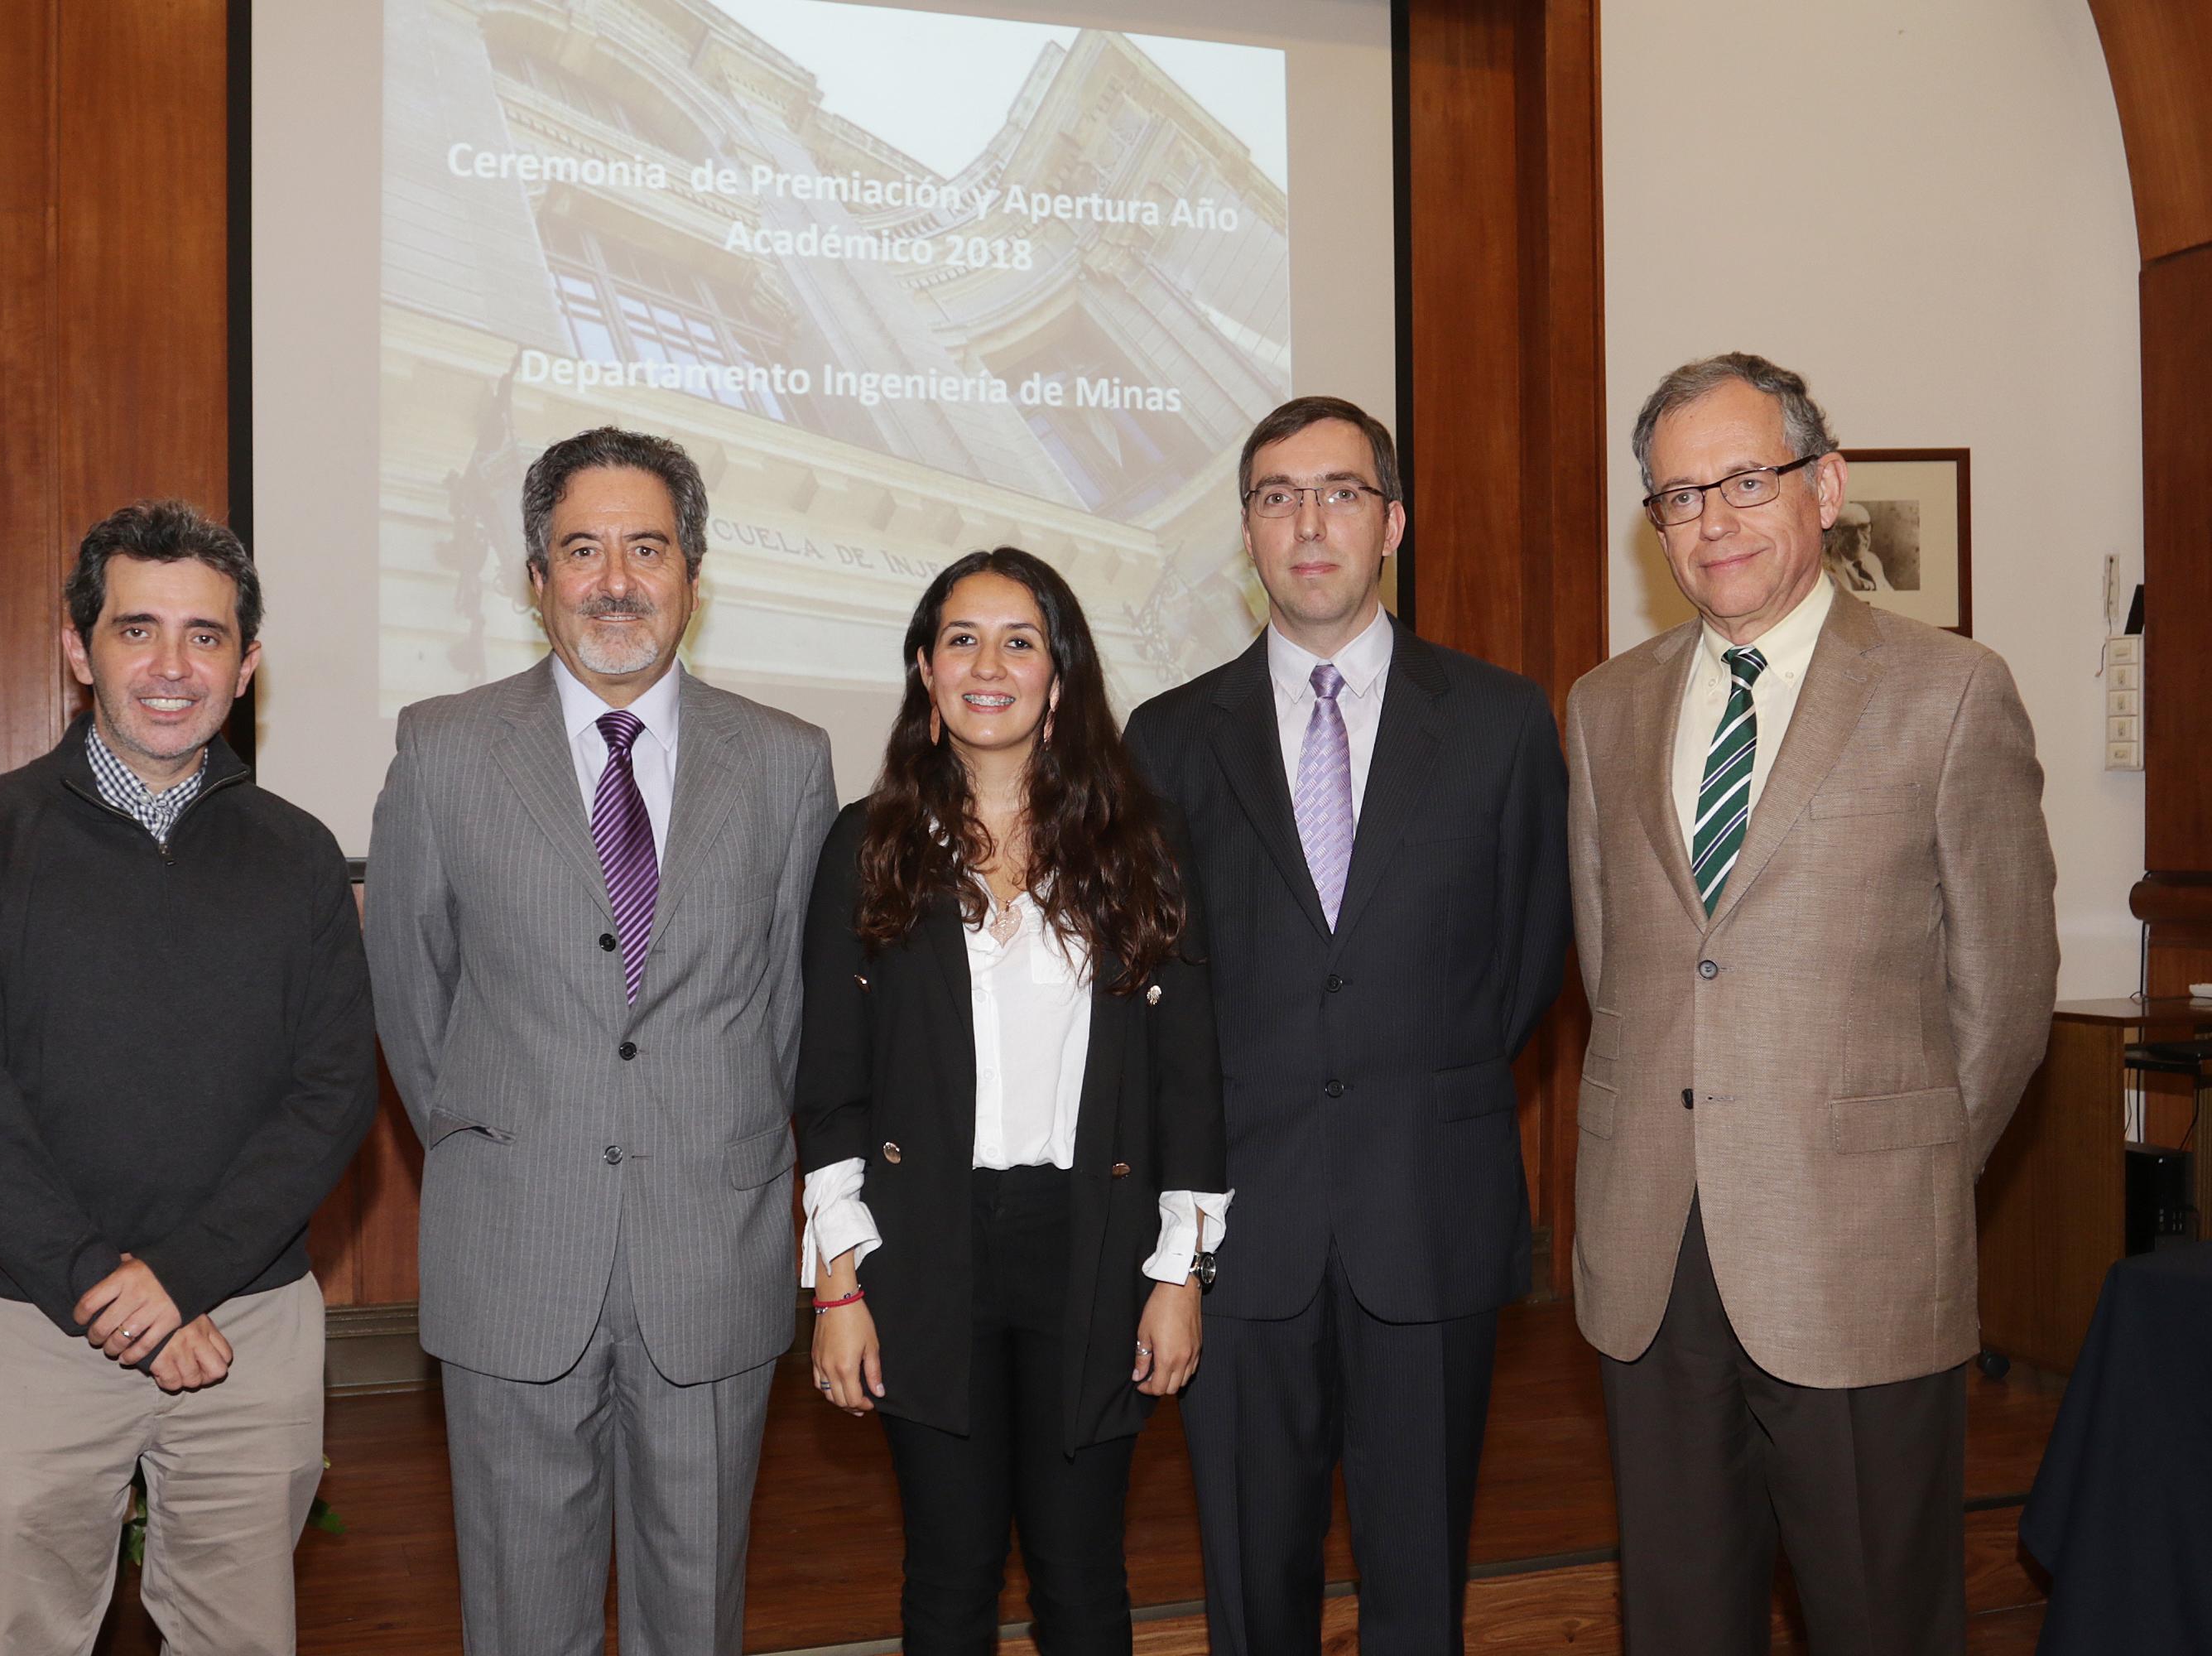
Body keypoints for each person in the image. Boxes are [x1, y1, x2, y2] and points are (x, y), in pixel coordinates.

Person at [1567, 352, 2056, 1655]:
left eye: (1744, 480)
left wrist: (1903, 1175)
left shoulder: (1949, 691)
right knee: (1677, 1622)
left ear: (1825, 485)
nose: (1712, 521)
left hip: (1859, 1256)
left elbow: (2004, 996)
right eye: (1677, 496)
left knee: (1878, 1620)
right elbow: (1617, 964)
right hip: (1651, 1252)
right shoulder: (1604, 709)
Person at [364, 426, 837, 1656]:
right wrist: (508, 1143)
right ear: (535, 578)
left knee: (698, 1618)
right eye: (582, 549)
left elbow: (792, 1017)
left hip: (711, 1259)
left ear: (693, 574)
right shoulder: (443, 748)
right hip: (516, 1250)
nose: (615, 579)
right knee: (523, 1620)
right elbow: (414, 1007)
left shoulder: (789, 766)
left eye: (647, 548)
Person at [1124, 396, 1571, 1654]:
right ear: (1249, 535)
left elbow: (1531, 953)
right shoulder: (1168, 739)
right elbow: (1156, 983)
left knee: (1419, 1586)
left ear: (1393, 524)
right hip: (1237, 1230)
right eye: (1275, 496)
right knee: (1249, 1589)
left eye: (1338, 493)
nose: (1306, 522)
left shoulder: (1498, 721)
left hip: (1427, 1212)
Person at [0, 499, 377, 1654]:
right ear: (79, 649)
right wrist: (115, 1292)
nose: (173, 667)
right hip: (30, 1322)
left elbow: (333, 1096)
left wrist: (186, 1281)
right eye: (137, 629)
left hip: (246, 1327)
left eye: (206, 637)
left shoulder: (302, 854)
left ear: (248, 661)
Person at [797, 548, 1227, 1654]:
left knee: (1082, 1578)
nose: (989, 664)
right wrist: (840, 1285)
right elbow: (832, 1087)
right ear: (928, 676)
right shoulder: (868, 844)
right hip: (923, 1249)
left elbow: (1187, 1074)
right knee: (949, 1575)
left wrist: (1181, 1273)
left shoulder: (1140, 841)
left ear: (1060, 676)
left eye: (1019, 641)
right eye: (961, 640)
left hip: (1094, 1249)